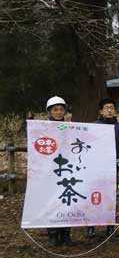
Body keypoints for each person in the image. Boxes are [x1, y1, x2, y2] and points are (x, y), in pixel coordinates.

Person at [91, 97, 119, 238]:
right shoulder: (94, 126)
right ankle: (91, 225)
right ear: (101, 111)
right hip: (95, 165)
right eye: (106, 108)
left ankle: (110, 225)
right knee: (94, 194)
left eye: (112, 108)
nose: (109, 110)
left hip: (114, 166)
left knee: (112, 195)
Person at [45, 96, 72, 246]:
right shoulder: (41, 127)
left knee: (66, 200)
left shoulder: (71, 127)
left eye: (61, 109)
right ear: (49, 111)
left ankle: (66, 233)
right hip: (49, 171)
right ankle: (53, 234)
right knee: (52, 202)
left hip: (67, 169)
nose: (59, 112)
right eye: (55, 109)